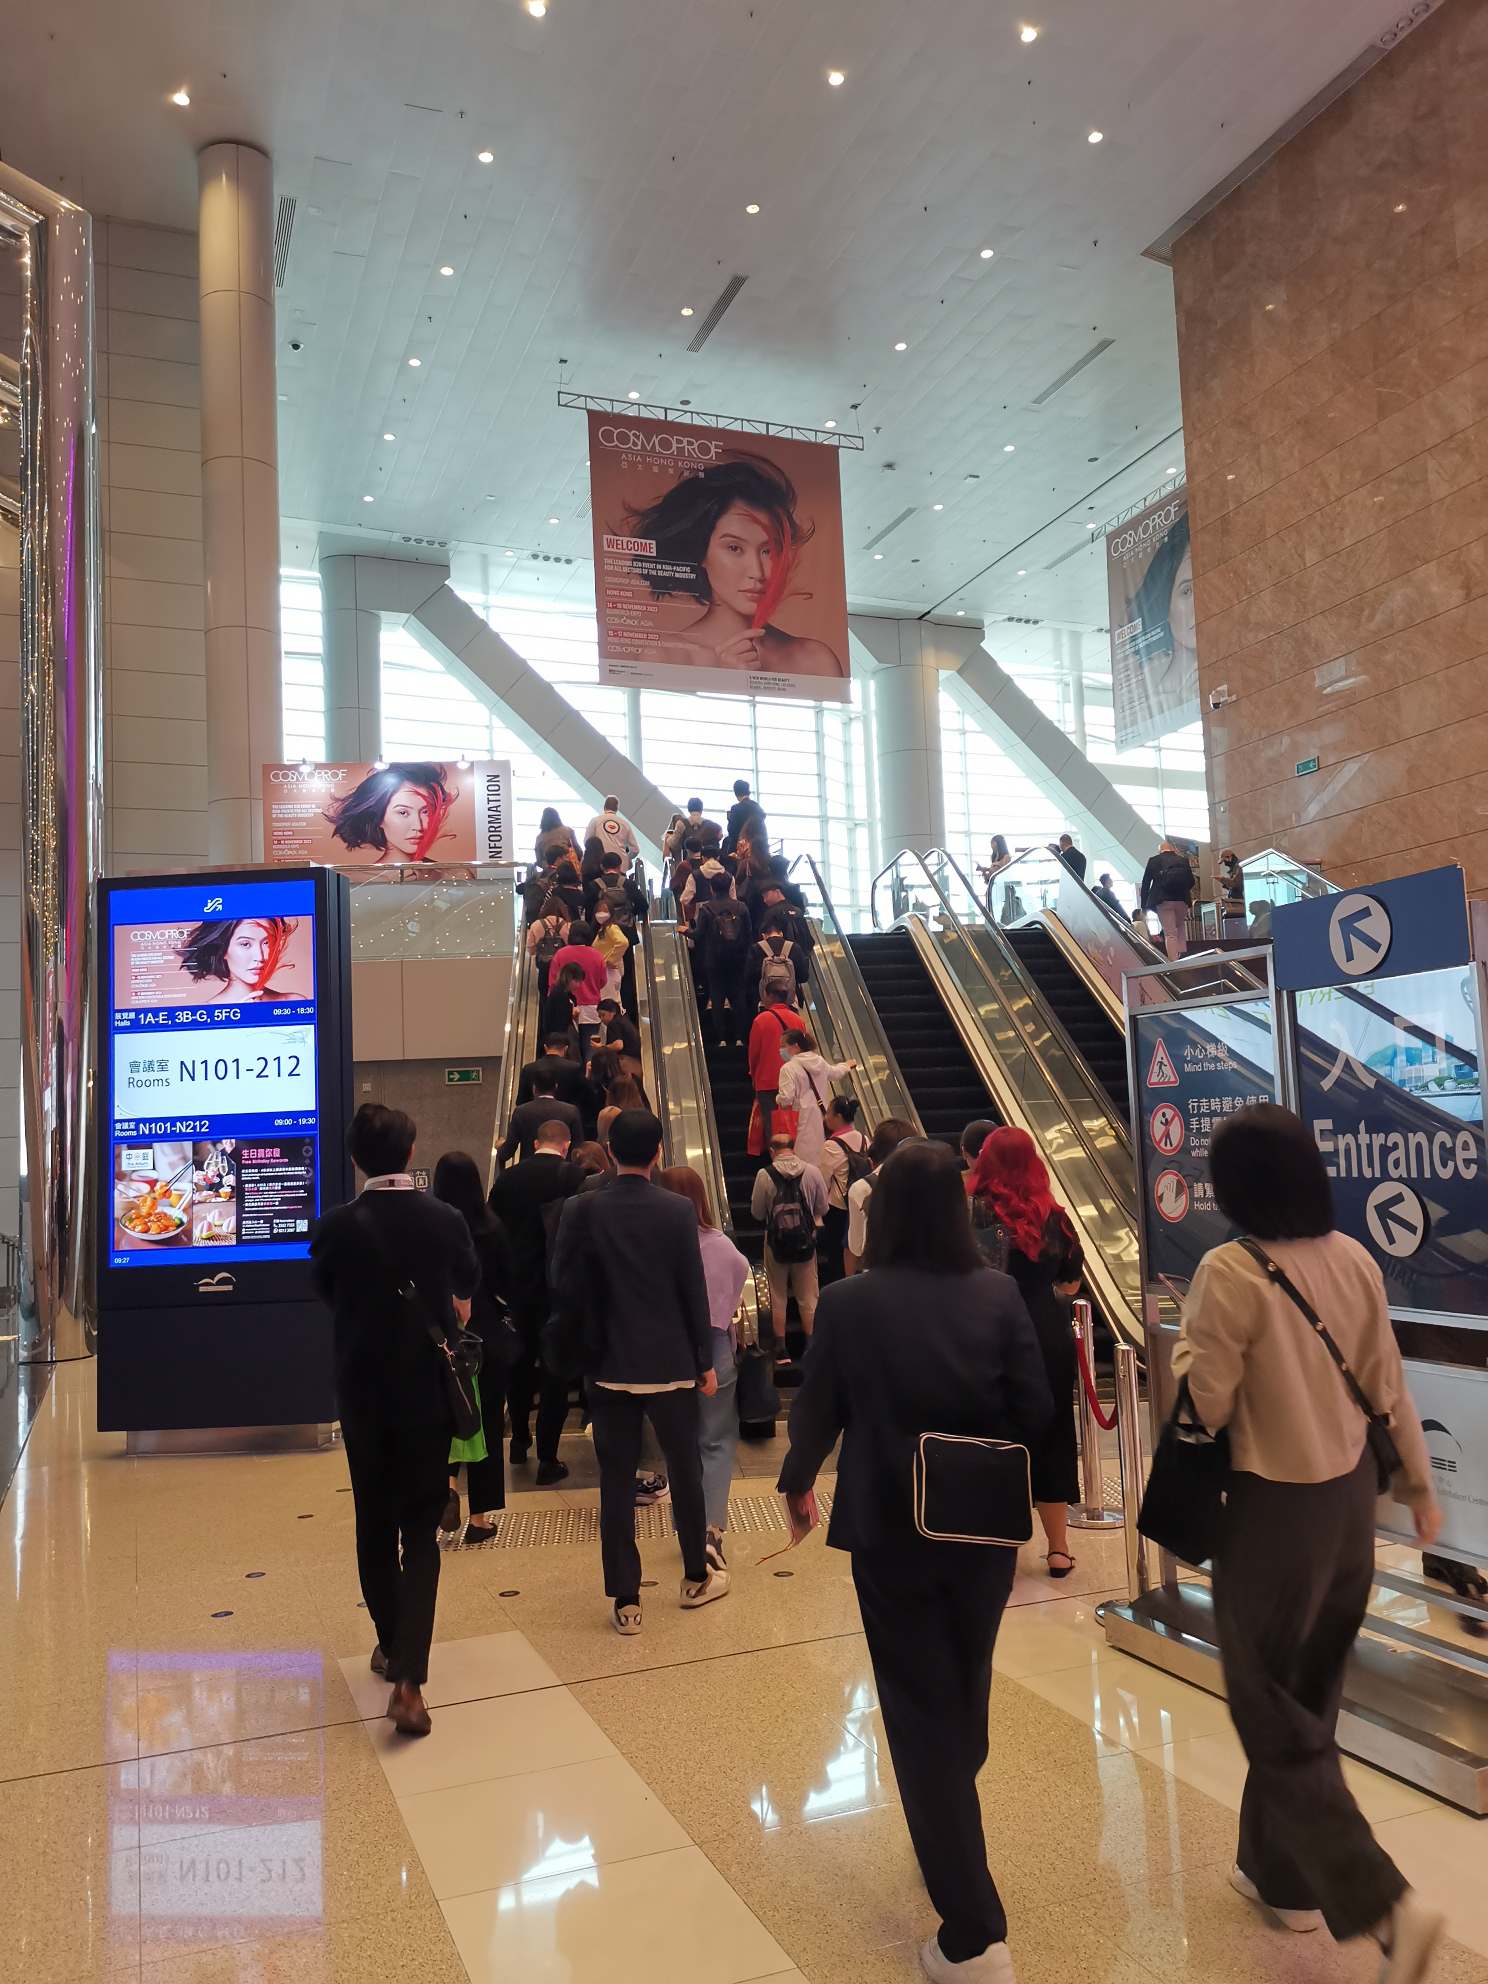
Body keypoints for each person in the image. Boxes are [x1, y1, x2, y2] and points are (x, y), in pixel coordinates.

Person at [1173, 1104, 1441, 1977]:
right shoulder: (1355, 1257)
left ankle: (1384, 1903)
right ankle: (1283, 1878)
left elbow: (1208, 1401)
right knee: (1308, 1694)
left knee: (1268, 1710)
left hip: (1272, 1511)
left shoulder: (1230, 1270)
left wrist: (1185, 1361)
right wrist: (1421, 1489)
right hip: (1348, 1508)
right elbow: (1389, 1386)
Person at [777, 1139, 1053, 1984]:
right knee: (965, 1682)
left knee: (917, 1701)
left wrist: (797, 1484)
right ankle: (949, 1816)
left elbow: (819, 1408)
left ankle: (973, 1935)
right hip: (983, 1526)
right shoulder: (998, 1293)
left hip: (891, 1524)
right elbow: (1036, 1410)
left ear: (887, 1212)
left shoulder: (849, 1303)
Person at [310, 1105, 479, 1737]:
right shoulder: (444, 1219)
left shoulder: (335, 1228)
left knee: (374, 1523)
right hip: (427, 1395)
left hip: (363, 1395)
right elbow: (468, 1278)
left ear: (356, 1159)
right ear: (411, 1153)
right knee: (420, 1530)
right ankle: (410, 1678)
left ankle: (389, 1643)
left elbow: (325, 1293)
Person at [550, 1110, 728, 1631]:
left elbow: (564, 1284)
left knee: (616, 1479)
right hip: (671, 1363)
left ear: (609, 1151)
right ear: (658, 1153)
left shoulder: (582, 1209)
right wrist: (703, 1361)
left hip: (608, 1362)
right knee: (686, 1469)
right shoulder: (677, 1210)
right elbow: (692, 1290)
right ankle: (694, 1575)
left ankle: (626, 1600)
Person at [965, 1127, 1083, 1580]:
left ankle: (999, 1545)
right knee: (1053, 1433)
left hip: (986, 1331)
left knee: (992, 1434)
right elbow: (1070, 1283)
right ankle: (1058, 1549)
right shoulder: (1054, 1215)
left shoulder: (970, 1213)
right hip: (1044, 1332)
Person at [656, 1166, 750, 1570]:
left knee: (680, 1445)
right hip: (715, 1348)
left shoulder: (656, 1244)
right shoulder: (721, 1245)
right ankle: (712, 1529)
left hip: (667, 1352)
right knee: (716, 1440)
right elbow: (740, 1274)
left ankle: (688, 1529)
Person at [488, 1118, 585, 1483]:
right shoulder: (574, 1177)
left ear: (533, 1144)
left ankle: (518, 1440)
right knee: (554, 1372)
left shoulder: (507, 1180)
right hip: (558, 1289)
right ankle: (548, 1457)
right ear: (566, 1144)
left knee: (519, 1365)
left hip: (517, 1289)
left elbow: (493, 1231)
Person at [432, 1152, 514, 1545]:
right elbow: (507, 1282)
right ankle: (479, 1519)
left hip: (441, 1338)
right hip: (485, 1338)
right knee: (487, 1422)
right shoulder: (491, 1227)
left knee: (446, 1418)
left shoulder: (430, 1228)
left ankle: (448, 1487)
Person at [751, 1128, 828, 1362]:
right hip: (806, 1243)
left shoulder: (764, 1175)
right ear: (793, 1148)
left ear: (772, 1151)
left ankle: (781, 1349)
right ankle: (811, 1347)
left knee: (777, 1294)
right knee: (808, 1296)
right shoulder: (812, 1171)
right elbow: (822, 1208)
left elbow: (757, 1212)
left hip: (775, 1243)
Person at [324, 762, 456, 864]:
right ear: (379, 817)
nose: (418, 826)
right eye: (403, 812)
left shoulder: (446, 875)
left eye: (425, 812)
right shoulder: (361, 879)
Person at [845, 1117, 920, 1274]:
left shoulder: (861, 1188)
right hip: (924, 1271)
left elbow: (856, 1247)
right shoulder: (932, 1177)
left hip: (879, 1274)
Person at [777, 1026, 856, 1167]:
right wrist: (847, 1065)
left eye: (783, 1046)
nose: (781, 1050)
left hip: (800, 1119)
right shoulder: (819, 1061)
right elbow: (835, 1073)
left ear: (796, 1046)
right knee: (819, 1156)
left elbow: (786, 1099)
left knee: (803, 1159)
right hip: (821, 1116)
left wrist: (777, 1098)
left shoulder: (788, 1068)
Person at [692, 871, 754, 1046]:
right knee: (738, 997)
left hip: (714, 961)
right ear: (730, 886)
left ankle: (721, 1038)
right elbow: (749, 935)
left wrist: (685, 931)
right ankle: (740, 1037)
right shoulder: (741, 907)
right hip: (738, 960)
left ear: (711, 888)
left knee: (717, 998)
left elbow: (698, 935)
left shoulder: (707, 908)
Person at [176, 917, 298, 1002]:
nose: (260, 957)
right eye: (245, 944)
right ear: (223, 950)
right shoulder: (206, 1014)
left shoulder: (294, 1002)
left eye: (268, 943)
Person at [818, 1094, 870, 1285]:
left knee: (837, 1256)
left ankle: (839, 1289)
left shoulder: (831, 1145)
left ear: (838, 1117)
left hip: (838, 1209)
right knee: (858, 1249)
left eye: (828, 1113)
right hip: (861, 1203)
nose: (826, 1117)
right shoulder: (865, 1139)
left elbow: (823, 1181)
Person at [747, 985, 805, 1151]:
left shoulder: (761, 1020)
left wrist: (753, 1075)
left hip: (767, 1081)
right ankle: (795, 1154)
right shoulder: (798, 1020)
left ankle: (778, 1158)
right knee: (793, 1123)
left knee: (772, 1126)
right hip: (795, 1080)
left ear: (769, 996)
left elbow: (754, 1053)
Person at [493, 1070, 583, 1169]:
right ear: (556, 1086)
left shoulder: (521, 1111)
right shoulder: (571, 1111)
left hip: (529, 1171)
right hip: (562, 1171)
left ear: (534, 1088)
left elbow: (507, 1152)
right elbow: (578, 1147)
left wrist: (500, 1147)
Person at [549, 920, 608, 1056]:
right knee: (590, 1050)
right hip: (592, 1009)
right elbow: (603, 981)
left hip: (565, 1008)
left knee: (569, 1051)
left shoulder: (560, 954)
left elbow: (553, 983)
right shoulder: (597, 955)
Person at [1140, 838, 1195, 961]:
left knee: (1170, 933)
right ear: (1173, 849)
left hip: (1163, 900)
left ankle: (1174, 962)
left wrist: (1144, 906)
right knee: (1180, 926)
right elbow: (1191, 881)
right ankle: (1183, 956)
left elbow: (1145, 884)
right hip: (1182, 900)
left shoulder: (1154, 861)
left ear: (1160, 851)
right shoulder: (1183, 860)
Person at [517, 1034, 592, 1115]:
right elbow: (584, 1098)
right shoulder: (575, 1068)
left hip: (534, 1116)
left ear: (545, 1047)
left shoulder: (528, 1068)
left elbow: (521, 1101)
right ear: (566, 1049)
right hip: (565, 1117)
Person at [525, 893, 570, 1002]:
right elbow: (570, 945)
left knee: (544, 995)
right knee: (562, 995)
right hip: (561, 966)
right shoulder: (566, 925)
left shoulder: (536, 925)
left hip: (544, 966)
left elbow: (530, 949)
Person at [592, 998, 642, 1081]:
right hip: (638, 1062)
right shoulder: (624, 1020)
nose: (602, 1019)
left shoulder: (613, 1023)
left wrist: (602, 1047)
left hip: (628, 1062)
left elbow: (618, 1045)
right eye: (600, 1017)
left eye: (603, 1015)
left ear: (613, 1012)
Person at [541, 959, 585, 1049]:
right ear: (568, 979)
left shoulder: (565, 994)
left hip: (560, 1038)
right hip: (559, 1041)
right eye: (576, 981)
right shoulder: (560, 995)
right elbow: (559, 1021)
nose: (579, 985)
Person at [585, 794, 640, 864]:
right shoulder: (625, 824)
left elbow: (587, 841)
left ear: (604, 807)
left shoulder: (595, 821)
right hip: (618, 865)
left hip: (599, 863)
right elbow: (635, 849)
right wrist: (625, 858)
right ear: (617, 808)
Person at [1217, 848, 1246, 939]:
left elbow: (1236, 884)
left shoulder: (1239, 866)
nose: (1225, 864)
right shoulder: (1234, 867)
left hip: (1241, 903)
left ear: (1229, 857)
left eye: (1224, 861)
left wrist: (1222, 880)